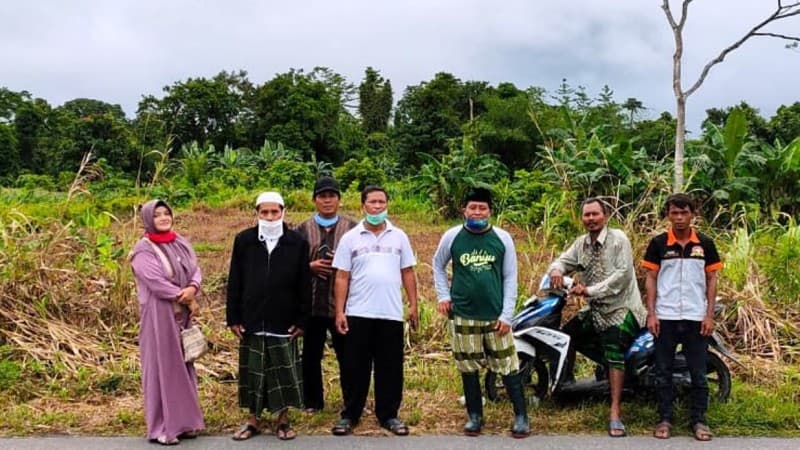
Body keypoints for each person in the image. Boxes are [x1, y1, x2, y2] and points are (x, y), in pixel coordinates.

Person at [432, 187, 530, 438]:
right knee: (468, 366)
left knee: (508, 365)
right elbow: (437, 264)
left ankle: (521, 416)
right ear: (464, 210)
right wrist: (443, 295)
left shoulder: (503, 238)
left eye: (482, 208)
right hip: (463, 314)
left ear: (490, 212)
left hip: (495, 315)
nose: (477, 212)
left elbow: (510, 278)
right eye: (472, 207)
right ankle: (475, 416)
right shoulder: (452, 236)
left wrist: (507, 315)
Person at [547, 197, 647, 438]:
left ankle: (615, 413)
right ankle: (566, 385)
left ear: (606, 216)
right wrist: (557, 270)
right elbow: (562, 260)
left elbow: (622, 276)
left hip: (622, 309)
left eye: (595, 214)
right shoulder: (581, 244)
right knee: (566, 335)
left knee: (613, 349)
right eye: (586, 215)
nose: (590, 219)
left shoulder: (618, 240)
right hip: (596, 310)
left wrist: (588, 291)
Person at [330, 185, 419, 436]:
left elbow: (408, 272)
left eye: (382, 202)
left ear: (387, 205)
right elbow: (342, 278)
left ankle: (389, 415)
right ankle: (350, 415)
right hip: (358, 312)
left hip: (390, 313)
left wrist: (413, 305)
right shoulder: (350, 238)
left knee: (390, 367)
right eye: (372, 202)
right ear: (363, 206)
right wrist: (340, 311)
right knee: (354, 367)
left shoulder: (399, 236)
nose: (377, 207)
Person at [226, 191, 311, 441]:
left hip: (283, 320)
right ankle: (253, 420)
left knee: (282, 373)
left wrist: (302, 319)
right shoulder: (244, 240)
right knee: (254, 373)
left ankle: (283, 420)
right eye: (265, 212)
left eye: (275, 212)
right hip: (252, 318)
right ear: (257, 213)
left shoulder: (297, 242)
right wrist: (233, 317)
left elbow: (304, 284)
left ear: (283, 212)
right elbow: (235, 281)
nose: (270, 216)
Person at [643, 193, 722, 441]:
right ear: (668, 214)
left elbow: (711, 279)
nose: (679, 218)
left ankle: (699, 421)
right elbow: (651, 279)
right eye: (674, 213)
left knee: (698, 372)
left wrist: (709, 315)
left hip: (695, 317)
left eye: (684, 213)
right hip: (665, 317)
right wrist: (652, 314)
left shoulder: (705, 244)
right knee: (663, 371)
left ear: (693, 214)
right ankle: (664, 419)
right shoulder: (658, 244)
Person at [130, 199, 205, 445]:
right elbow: (154, 280)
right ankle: (163, 428)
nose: (163, 218)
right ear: (148, 220)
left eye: (167, 213)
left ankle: (186, 423)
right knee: (163, 367)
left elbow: (195, 269)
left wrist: (193, 287)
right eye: (157, 215)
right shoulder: (143, 249)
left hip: (182, 316)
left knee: (183, 367)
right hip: (159, 316)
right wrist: (183, 296)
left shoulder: (179, 241)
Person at [294, 177, 357, 413]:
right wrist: (309, 267)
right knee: (310, 357)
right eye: (322, 196)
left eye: (332, 195)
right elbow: (291, 263)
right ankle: (313, 403)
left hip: (344, 306)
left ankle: (351, 402)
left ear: (339, 199)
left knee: (348, 356)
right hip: (311, 304)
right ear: (314, 200)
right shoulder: (301, 229)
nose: (327, 200)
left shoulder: (353, 228)